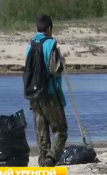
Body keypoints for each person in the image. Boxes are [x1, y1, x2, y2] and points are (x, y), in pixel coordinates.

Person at [24, 14, 67, 166]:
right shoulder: (50, 44)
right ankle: (50, 161)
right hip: (49, 93)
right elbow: (55, 69)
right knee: (61, 131)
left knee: (42, 134)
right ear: (49, 28)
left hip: (33, 95)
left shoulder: (30, 46)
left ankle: (43, 162)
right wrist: (62, 62)